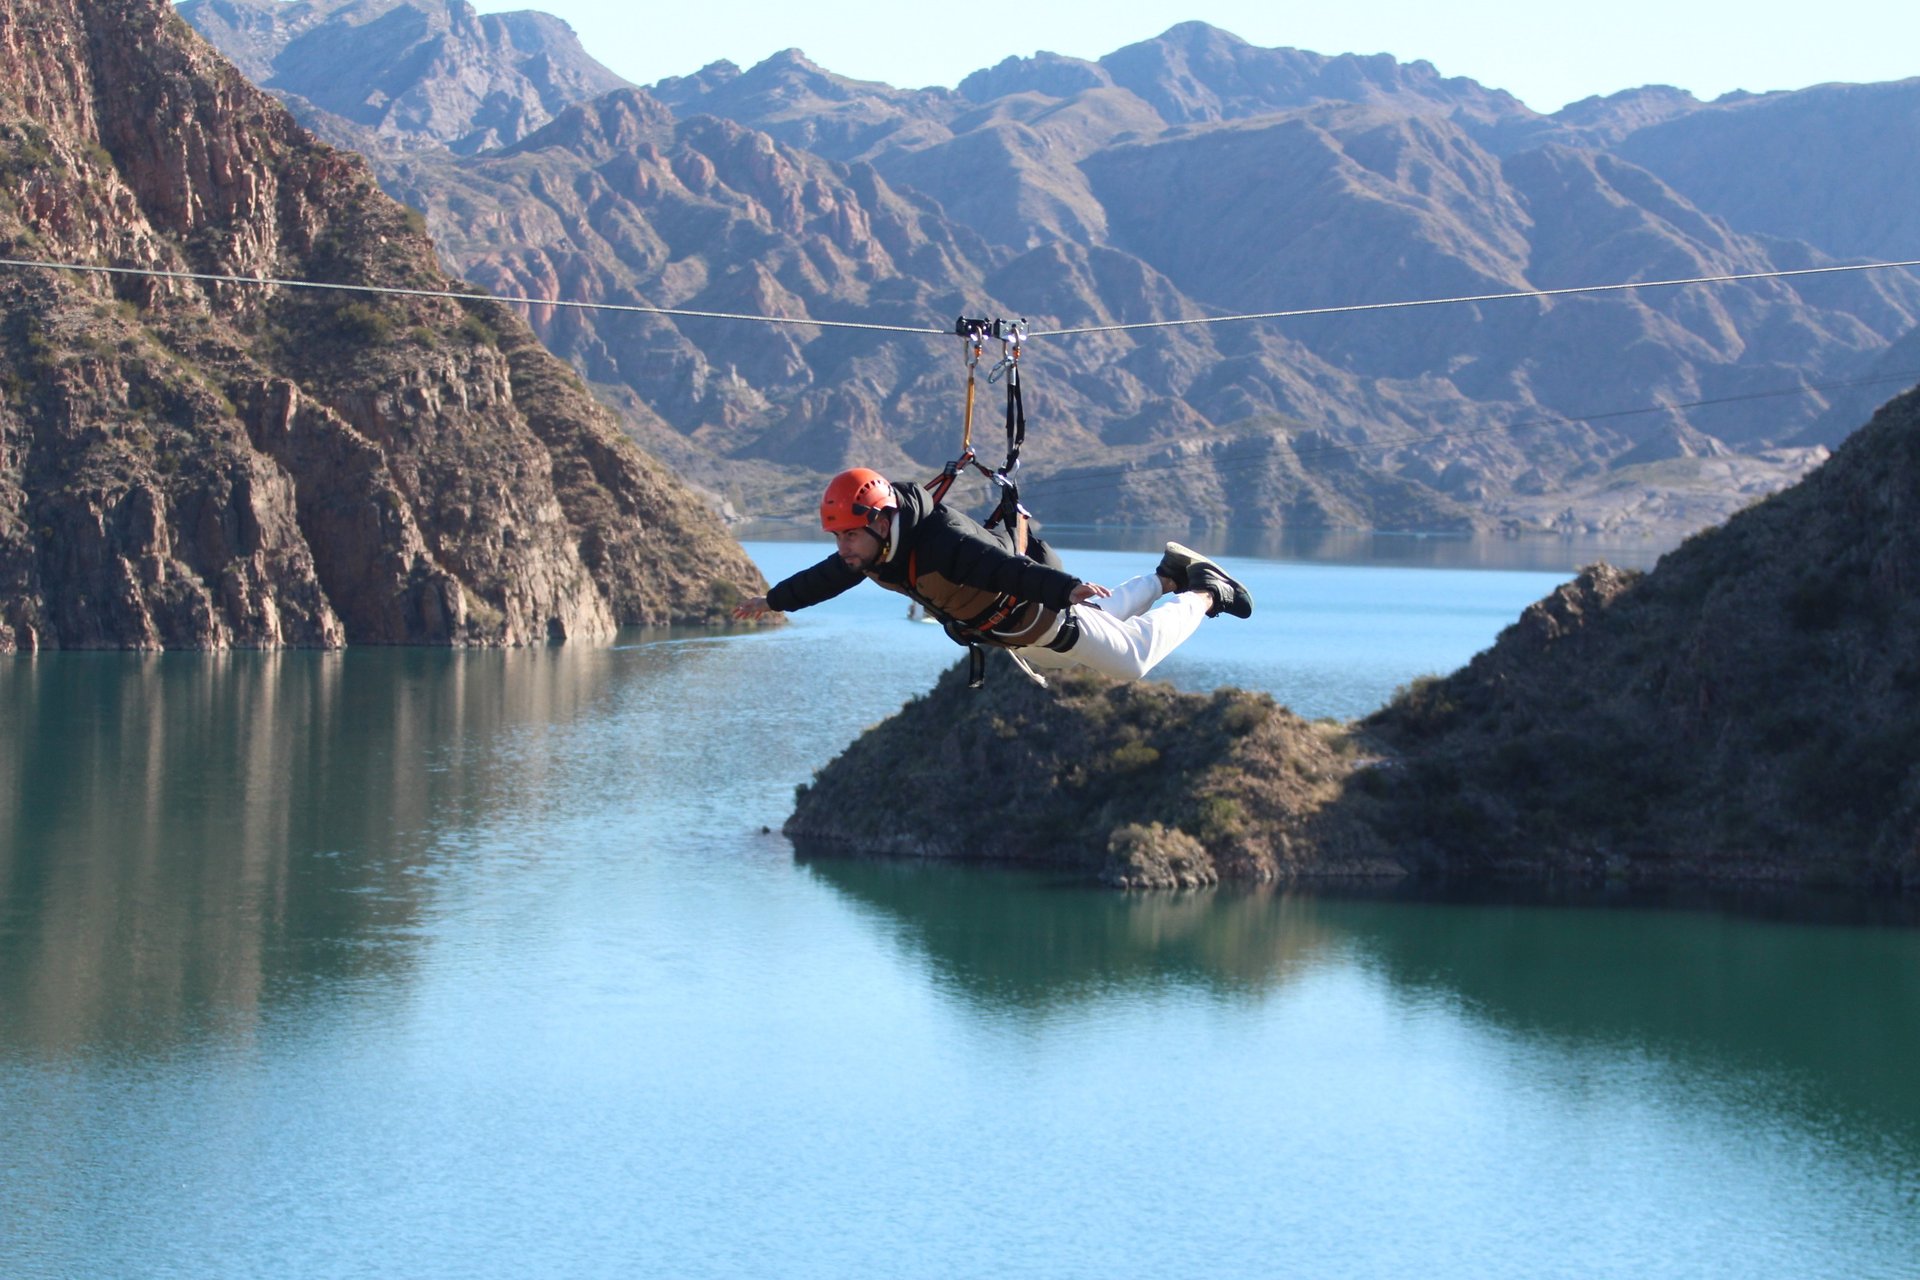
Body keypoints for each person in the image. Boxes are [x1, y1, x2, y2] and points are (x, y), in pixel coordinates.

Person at [732, 468, 1253, 681]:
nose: (842, 548)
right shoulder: (871, 552)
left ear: (880, 521)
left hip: (1041, 614)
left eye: (849, 536)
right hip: (1016, 636)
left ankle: (1205, 590)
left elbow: (1004, 569)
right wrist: (773, 601)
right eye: (838, 538)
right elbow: (824, 578)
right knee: (1098, 624)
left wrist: (1063, 588)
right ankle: (1167, 576)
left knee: (1132, 660)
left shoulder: (942, 542)